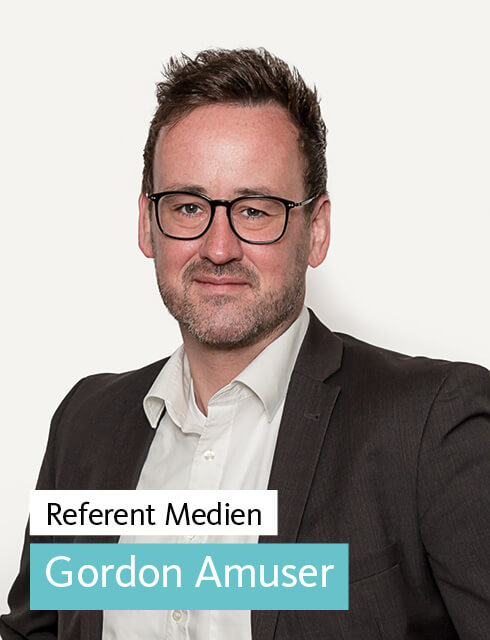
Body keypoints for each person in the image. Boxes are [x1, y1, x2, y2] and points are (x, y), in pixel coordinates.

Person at [1, 47, 489, 640]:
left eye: (255, 211)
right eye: (188, 207)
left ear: (317, 230)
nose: (219, 248)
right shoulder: (86, 423)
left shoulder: (431, 424)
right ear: (147, 224)